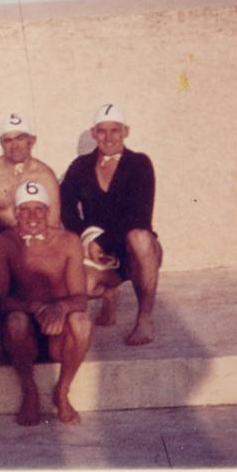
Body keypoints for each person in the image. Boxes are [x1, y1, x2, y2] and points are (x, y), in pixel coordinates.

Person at [0, 180, 92, 427]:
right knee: (15, 321)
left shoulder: (68, 241)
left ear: (48, 212)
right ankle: (30, 392)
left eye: (39, 209)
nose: (32, 216)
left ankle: (62, 392)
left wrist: (60, 308)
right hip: (24, 334)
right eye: (25, 209)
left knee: (81, 322)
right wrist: (34, 308)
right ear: (16, 212)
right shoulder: (5, 243)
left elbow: (80, 299)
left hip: (58, 334)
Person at [60, 103, 162, 346]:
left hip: (134, 251)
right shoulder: (80, 166)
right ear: (94, 133)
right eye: (102, 131)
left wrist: (99, 241)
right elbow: (66, 207)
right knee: (79, 288)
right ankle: (108, 294)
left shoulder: (139, 163)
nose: (108, 137)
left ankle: (145, 318)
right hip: (101, 254)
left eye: (114, 130)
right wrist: (86, 239)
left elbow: (140, 216)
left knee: (140, 237)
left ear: (125, 131)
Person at [0, 112, 61, 235]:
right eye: (8, 140)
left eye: (20, 138)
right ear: (1, 143)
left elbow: (53, 225)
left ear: (32, 140)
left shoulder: (45, 176)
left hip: (34, 244)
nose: (15, 146)